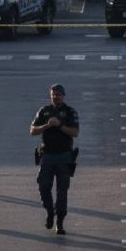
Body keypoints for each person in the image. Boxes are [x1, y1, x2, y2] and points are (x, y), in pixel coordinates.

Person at [30, 84, 80, 235]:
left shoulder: (69, 112)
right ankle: (50, 211)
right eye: (53, 94)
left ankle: (60, 222)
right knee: (44, 186)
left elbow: (75, 132)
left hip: (64, 156)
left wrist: (59, 125)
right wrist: (46, 125)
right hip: (47, 155)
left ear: (63, 96)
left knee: (62, 191)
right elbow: (32, 131)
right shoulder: (44, 111)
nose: (55, 97)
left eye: (58, 94)